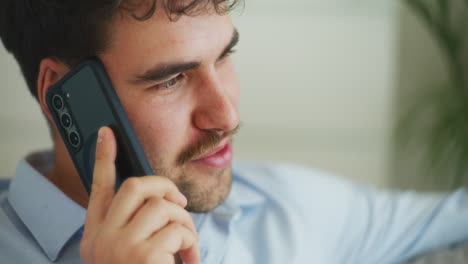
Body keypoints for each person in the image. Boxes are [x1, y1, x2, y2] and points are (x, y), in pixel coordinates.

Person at [1, 1, 468, 263]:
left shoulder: (284, 210)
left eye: (224, 56)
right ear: (64, 96)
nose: (225, 115)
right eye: (171, 79)